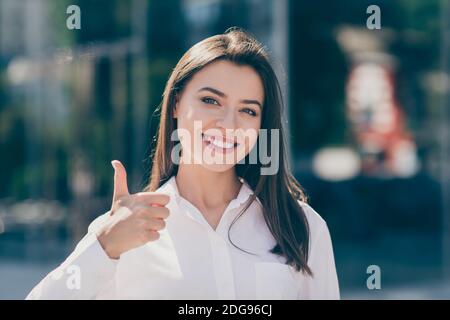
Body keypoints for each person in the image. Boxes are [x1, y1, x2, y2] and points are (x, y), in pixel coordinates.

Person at [26, 27, 340, 300]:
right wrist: (104, 247)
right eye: (211, 101)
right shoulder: (125, 230)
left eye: (248, 110)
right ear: (176, 103)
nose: (228, 124)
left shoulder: (302, 228)